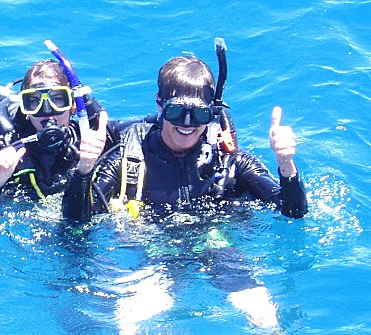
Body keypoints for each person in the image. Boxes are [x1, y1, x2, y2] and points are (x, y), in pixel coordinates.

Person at [61, 55, 308, 222]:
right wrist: (84, 170)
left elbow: (293, 212)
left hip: (217, 245)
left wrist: (286, 166)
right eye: (176, 112)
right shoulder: (128, 161)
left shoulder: (231, 162)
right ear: (159, 104)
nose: (186, 124)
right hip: (150, 251)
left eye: (199, 114)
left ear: (212, 113)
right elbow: (77, 220)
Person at [0, 58, 110, 210]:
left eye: (57, 99)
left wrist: (85, 169)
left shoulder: (91, 141)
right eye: (34, 101)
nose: (47, 111)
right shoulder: (3, 147)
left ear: (73, 106)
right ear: (25, 109)